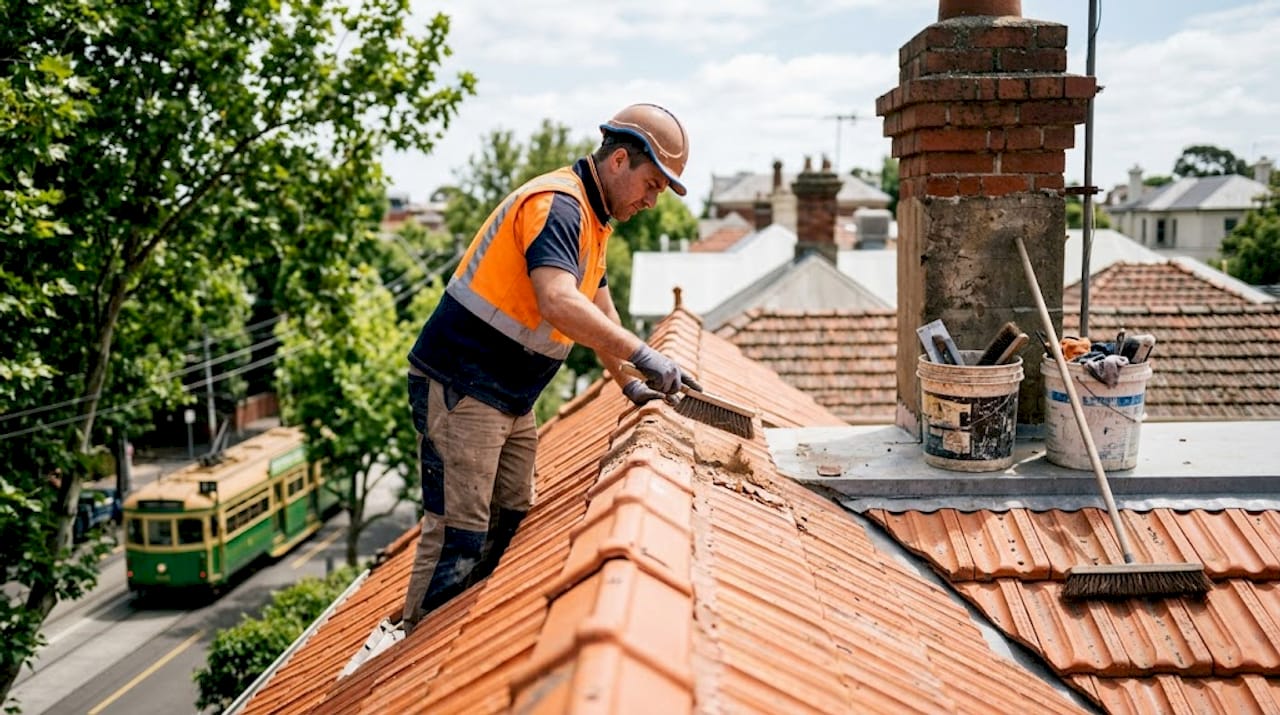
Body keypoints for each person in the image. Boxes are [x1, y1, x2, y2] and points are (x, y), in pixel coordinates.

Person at [400, 103, 702, 630]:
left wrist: (631, 385)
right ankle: (410, 650)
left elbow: (597, 309)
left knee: (512, 520)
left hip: (509, 397)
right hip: (463, 389)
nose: (653, 201)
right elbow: (560, 302)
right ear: (619, 161)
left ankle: (465, 631)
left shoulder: (593, 219)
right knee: (459, 534)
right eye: (651, 184)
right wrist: (643, 355)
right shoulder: (560, 206)